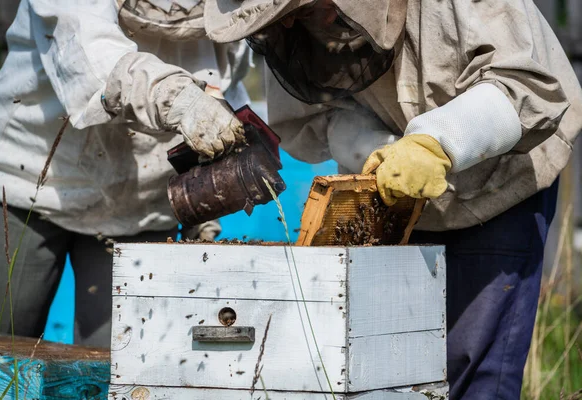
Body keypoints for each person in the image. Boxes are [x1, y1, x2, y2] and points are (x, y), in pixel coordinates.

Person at [203, 0, 582, 398]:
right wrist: (375, 147)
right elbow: (318, 119)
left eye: (305, 8)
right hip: (395, 200)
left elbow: (525, 89)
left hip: (501, 185)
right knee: (394, 367)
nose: (299, 23)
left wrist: (438, 143)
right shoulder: (295, 32)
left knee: (476, 374)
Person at [0, 0, 250, 347]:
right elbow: (90, 53)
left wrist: (206, 189)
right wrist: (178, 99)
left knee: (117, 369)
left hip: (145, 204)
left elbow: (224, 84)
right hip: (27, 184)